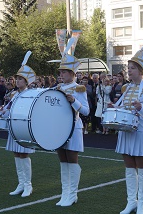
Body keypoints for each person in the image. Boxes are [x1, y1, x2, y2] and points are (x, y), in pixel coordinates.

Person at [109, 37, 143, 214]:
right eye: (128, 68)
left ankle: (142, 203)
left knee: (142, 167)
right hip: (126, 131)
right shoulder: (127, 88)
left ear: (141, 70)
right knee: (129, 167)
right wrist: (114, 108)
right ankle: (132, 201)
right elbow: (123, 108)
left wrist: (142, 107)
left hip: (141, 131)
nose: (129, 71)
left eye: (132, 68)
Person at [55, 38, 90, 207]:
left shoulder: (79, 88)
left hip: (74, 127)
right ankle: (64, 193)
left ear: (73, 73)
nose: (61, 75)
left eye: (64, 72)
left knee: (72, 160)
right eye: (60, 72)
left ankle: (72, 194)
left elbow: (86, 111)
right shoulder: (57, 88)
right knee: (62, 160)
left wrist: (74, 101)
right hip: (60, 128)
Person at [0, 51, 36, 197]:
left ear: (26, 82)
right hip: (13, 127)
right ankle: (21, 183)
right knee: (16, 155)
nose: (17, 81)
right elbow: (9, 108)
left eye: (20, 79)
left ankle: (28, 185)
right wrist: (1, 112)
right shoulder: (14, 94)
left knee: (24, 155)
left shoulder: (30, 93)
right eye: (17, 78)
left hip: (23, 127)